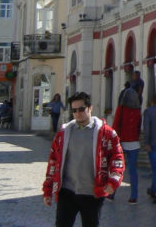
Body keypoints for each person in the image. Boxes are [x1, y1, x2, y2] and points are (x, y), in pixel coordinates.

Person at [43, 91, 125, 227]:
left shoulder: (106, 133)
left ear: (90, 108)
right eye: (74, 110)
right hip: (67, 192)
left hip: (92, 193)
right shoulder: (64, 134)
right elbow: (53, 161)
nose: (78, 113)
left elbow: (118, 157)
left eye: (81, 109)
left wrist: (113, 181)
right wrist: (48, 189)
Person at [112, 88, 142, 204]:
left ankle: (112, 193)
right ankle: (134, 196)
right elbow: (139, 126)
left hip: (122, 143)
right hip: (135, 143)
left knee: (117, 169)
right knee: (133, 171)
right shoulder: (138, 111)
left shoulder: (121, 109)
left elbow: (116, 124)